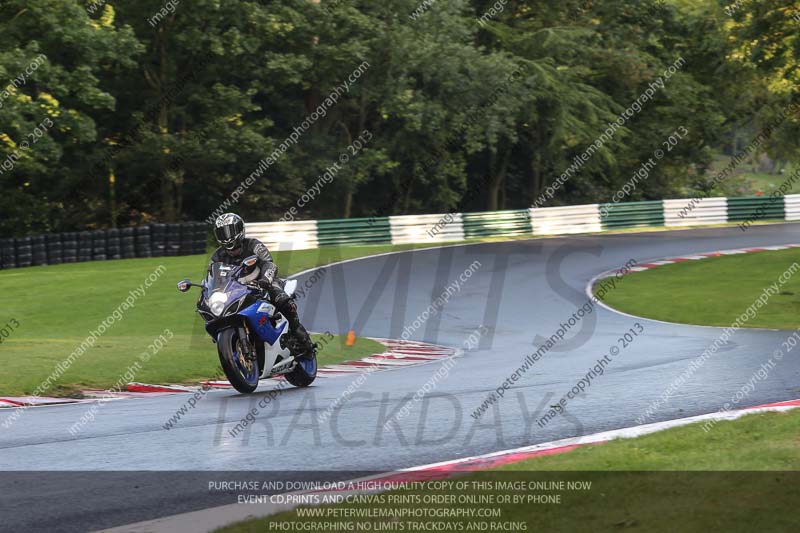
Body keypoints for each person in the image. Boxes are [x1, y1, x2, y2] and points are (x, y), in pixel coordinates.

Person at [210, 213, 315, 359]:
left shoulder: (253, 245)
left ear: (239, 230)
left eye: (229, 231)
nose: (227, 236)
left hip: (263, 282)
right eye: (222, 233)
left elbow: (269, 263)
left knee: (281, 299)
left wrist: (265, 279)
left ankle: (300, 335)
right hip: (237, 290)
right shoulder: (217, 256)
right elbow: (212, 276)